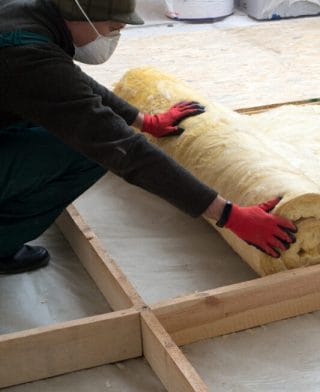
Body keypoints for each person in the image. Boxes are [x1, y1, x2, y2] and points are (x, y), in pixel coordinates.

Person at [0, 0, 297, 274]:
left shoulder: (28, 12)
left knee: (60, 128)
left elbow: (69, 81)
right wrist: (229, 214)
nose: (113, 37)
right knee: (85, 151)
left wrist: (144, 120)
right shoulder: (25, 55)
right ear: (83, 16)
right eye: (112, 29)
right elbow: (123, 149)